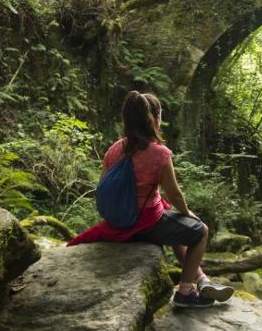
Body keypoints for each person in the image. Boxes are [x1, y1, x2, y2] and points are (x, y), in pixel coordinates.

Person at [67, 90, 234, 307]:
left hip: (120, 222)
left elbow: (103, 187)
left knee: (169, 214)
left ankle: (201, 279)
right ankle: (185, 292)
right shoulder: (159, 153)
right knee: (200, 231)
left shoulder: (114, 149)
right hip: (146, 224)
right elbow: (174, 194)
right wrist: (189, 214)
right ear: (154, 119)